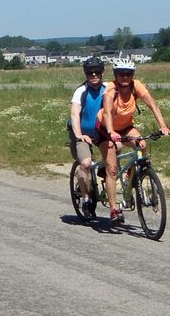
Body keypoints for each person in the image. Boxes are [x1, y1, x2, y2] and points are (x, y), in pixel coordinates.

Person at [97, 58, 170, 224]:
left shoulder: (136, 86)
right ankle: (114, 209)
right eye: (121, 73)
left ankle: (131, 175)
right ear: (116, 75)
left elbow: (153, 105)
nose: (125, 77)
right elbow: (107, 113)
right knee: (112, 169)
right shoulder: (111, 88)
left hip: (125, 126)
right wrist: (111, 132)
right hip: (105, 128)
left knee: (142, 144)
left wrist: (163, 126)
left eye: (128, 73)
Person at [67, 57, 106, 220]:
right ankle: (86, 199)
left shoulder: (108, 89)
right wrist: (79, 135)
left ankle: (104, 173)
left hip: (100, 132)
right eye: (90, 73)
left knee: (117, 150)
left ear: (102, 72)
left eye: (97, 72)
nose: (94, 75)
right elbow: (75, 114)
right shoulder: (81, 91)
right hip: (81, 132)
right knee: (86, 163)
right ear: (86, 74)